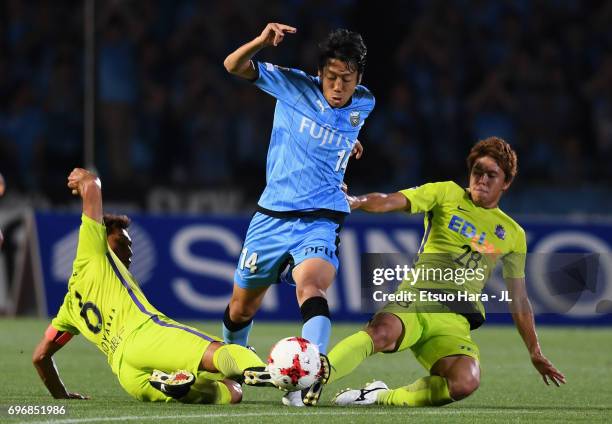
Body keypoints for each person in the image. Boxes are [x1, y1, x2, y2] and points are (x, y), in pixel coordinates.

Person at [326, 137, 566, 407]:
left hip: (455, 322)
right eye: (478, 172)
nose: (482, 180)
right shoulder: (447, 193)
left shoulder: (512, 234)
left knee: (465, 382)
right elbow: (392, 200)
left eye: (491, 175)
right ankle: (314, 378)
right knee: (381, 332)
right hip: (417, 300)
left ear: (506, 183)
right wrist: (357, 201)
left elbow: (519, 299)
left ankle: (379, 396)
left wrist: (535, 350)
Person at [222, 23, 375, 406]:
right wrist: (259, 42)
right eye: (333, 77)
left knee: (313, 287)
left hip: (322, 217)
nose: (339, 87)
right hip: (272, 215)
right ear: (320, 74)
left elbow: (340, 128)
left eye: (347, 79)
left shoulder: (365, 102)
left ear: (358, 78)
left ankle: (309, 373)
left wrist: (349, 144)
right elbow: (232, 66)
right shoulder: (293, 85)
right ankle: (235, 370)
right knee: (241, 308)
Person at [32, 168, 267, 404]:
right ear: (101, 237)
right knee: (221, 353)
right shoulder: (92, 251)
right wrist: (81, 177)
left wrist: (61, 395)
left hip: (128, 373)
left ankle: (174, 384)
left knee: (232, 392)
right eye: (123, 242)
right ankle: (279, 372)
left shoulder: (69, 310)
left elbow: (40, 357)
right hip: (146, 334)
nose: (130, 251)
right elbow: (92, 184)